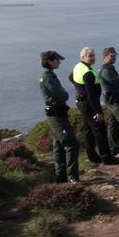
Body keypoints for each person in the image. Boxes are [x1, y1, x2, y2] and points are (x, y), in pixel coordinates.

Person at [70, 46, 119, 166]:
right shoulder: (88, 73)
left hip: (81, 103)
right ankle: (106, 158)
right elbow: (92, 96)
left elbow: (71, 77)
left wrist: (79, 88)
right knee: (100, 131)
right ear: (82, 57)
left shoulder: (78, 66)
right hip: (89, 104)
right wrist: (98, 112)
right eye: (90, 56)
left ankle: (92, 156)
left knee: (88, 130)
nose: (93, 58)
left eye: (93, 55)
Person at [38, 50, 81, 183]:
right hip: (56, 114)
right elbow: (61, 94)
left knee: (58, 144)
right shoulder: (48, 77)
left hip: (56, 113)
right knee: (71, 144)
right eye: (57, 60)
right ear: (50, 61)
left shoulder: (47, 75)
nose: (59, 62)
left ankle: (61, 176)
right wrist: (65, 94)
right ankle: (72, 175)